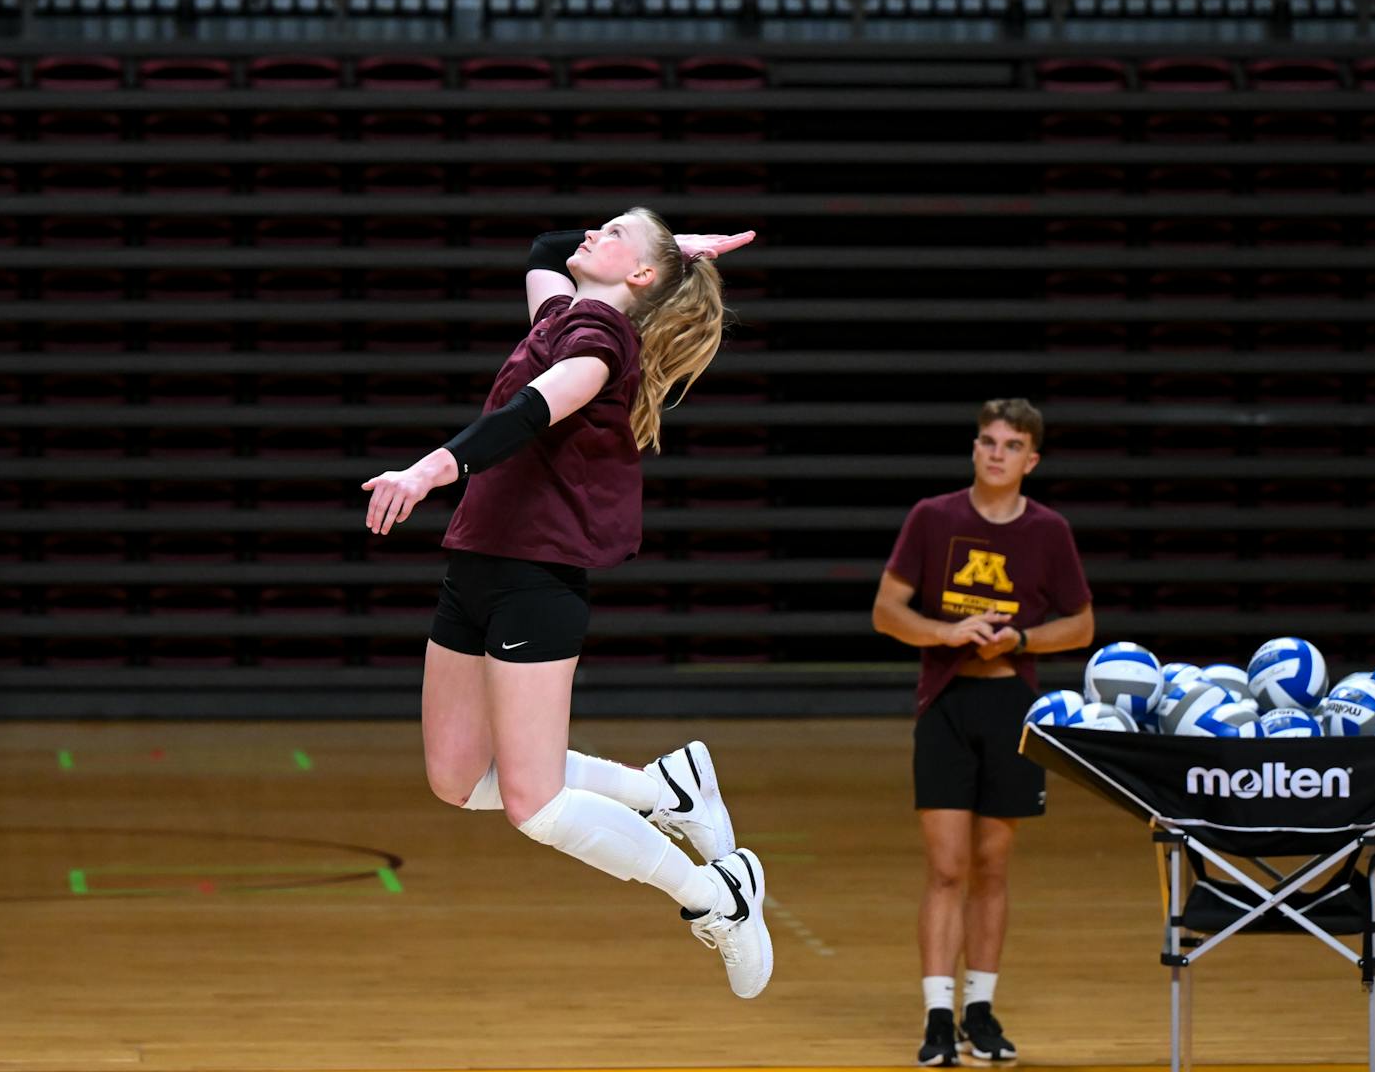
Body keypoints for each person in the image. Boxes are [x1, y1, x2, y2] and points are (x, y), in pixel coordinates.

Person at [359, 210, 772, 997]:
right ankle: (666, 790)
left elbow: (521, 418)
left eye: (614, 232)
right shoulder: (559, 314)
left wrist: (422, 473)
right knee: (456, 779)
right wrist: (677, 247)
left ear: (637, 277)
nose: (592, 234)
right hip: (474, 565)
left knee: (535, 804)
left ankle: (715, 894)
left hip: (536, 581)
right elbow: (548, 248)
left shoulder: (602, 344)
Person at [871, 398, 1096, 1065]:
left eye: (1010, 445)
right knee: (947, 868)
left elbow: (1080, 626)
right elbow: (887, 611)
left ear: (1031, 460)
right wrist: (946, 632)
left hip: (1012, 708)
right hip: (945, 704)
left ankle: (980, 1010)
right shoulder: (933, 518)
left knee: (993, 868)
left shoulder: (1049, 531)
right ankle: (938, 1016)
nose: (996, 453)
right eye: (987, 441)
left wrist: (1019, 638)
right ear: (975, 449)